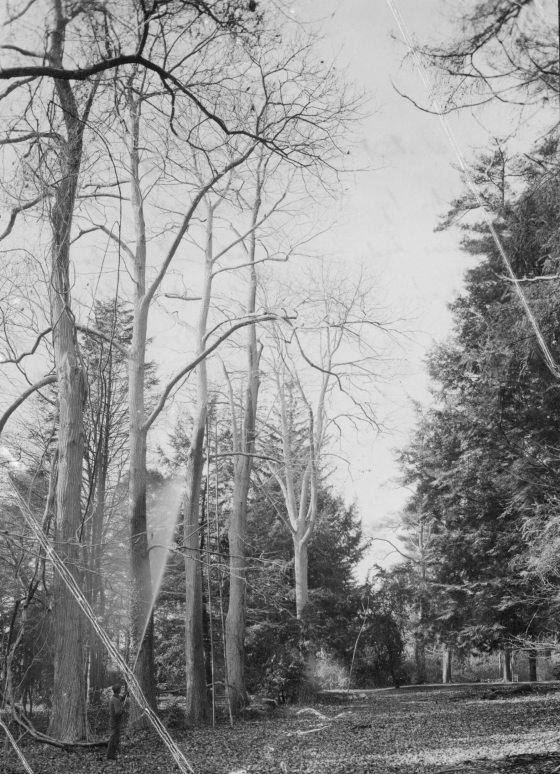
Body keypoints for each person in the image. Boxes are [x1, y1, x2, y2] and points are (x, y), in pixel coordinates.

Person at [106, 683, 127, 761]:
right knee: (114, 738)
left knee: (115, 738)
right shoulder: (115, 700)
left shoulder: (114, 698)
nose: (121, 690)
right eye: (120, 689)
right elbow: (118, 712)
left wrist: (125, 695)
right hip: (115, 722)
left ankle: (112, 754)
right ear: (118, 690)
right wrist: (123, 711)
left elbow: (120, 699)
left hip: (113, 721)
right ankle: (110, 755)